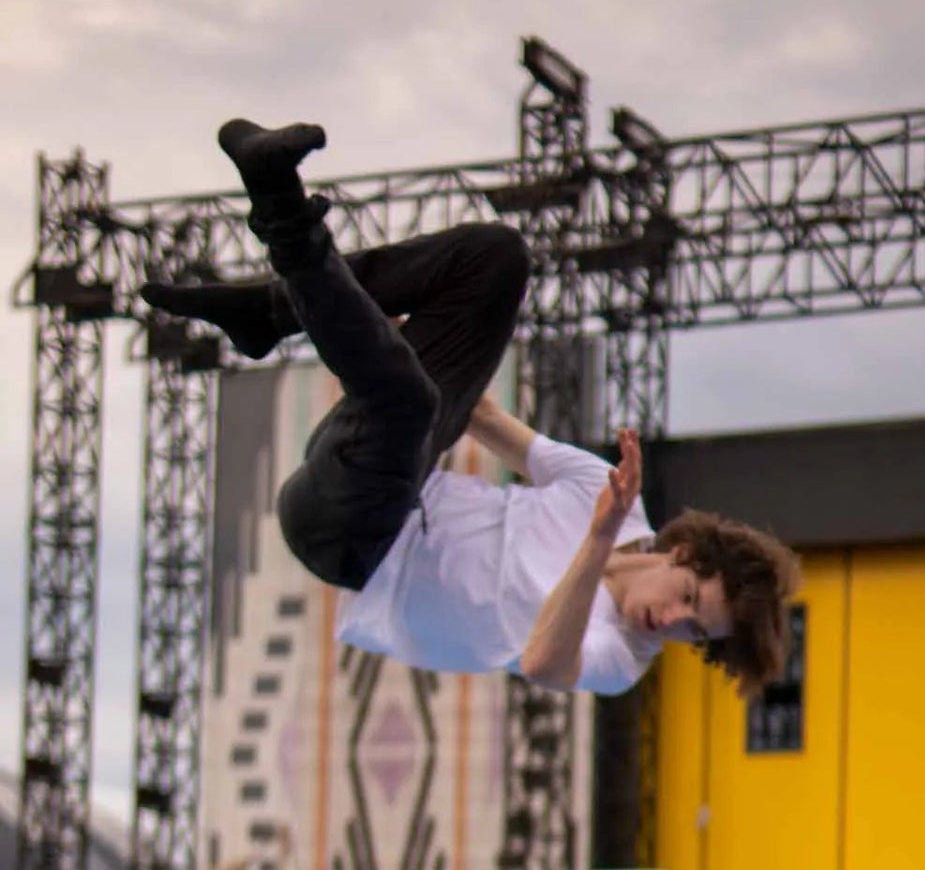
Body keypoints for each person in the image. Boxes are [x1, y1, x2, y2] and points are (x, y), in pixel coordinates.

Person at [145, 119, 798, 699]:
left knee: (410, 401)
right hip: (376, 462)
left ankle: (279, 207)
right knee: (496, 257)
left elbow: (543, 661)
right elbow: (479, 414)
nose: (670, 624)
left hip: (352, 541)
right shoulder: (602, 490)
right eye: (687, 602)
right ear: (684, 557)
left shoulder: (619, 657)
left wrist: (600, 539)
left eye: (691, 633)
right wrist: (380, 326)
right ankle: (272, 311)